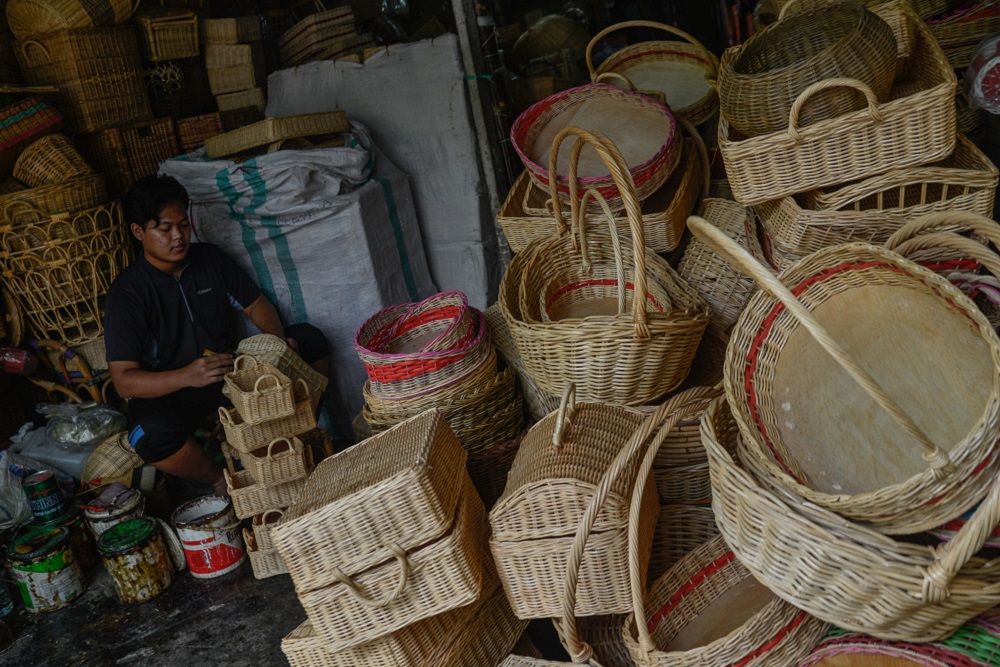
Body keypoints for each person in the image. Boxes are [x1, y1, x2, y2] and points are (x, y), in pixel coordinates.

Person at [103, 175, 329, 497]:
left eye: (183, 224)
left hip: (230, 372)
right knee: (146, 433)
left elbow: (257, 305)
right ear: (139, 232)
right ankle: (221, 481)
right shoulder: (127, 294)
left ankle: (301, 433)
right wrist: (185, 376)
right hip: (173, 391)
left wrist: (275, 343)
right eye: (165, 230)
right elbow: (124, 380)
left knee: (309, 339)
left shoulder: (208, 259)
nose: (178, 237)